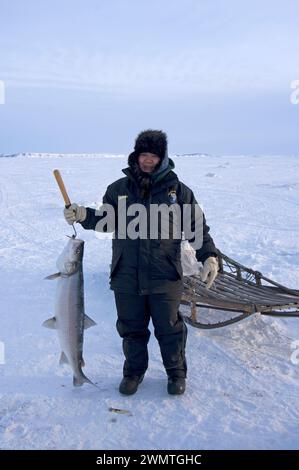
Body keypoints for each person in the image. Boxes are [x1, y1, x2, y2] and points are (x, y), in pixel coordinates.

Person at [64, 130, 219, 395]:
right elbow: (106, 221)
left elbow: (196, 228)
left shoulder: (179, 191)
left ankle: (176, 374)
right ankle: (134, 372)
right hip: (127, 274)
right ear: (136, 155)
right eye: (143, 155)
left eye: (153, 155)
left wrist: (208, 256)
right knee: (131, 329)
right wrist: (82, 215)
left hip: (165, 273)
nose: (147, 161)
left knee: (169, 329)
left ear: (163, 157)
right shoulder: (118, 189)